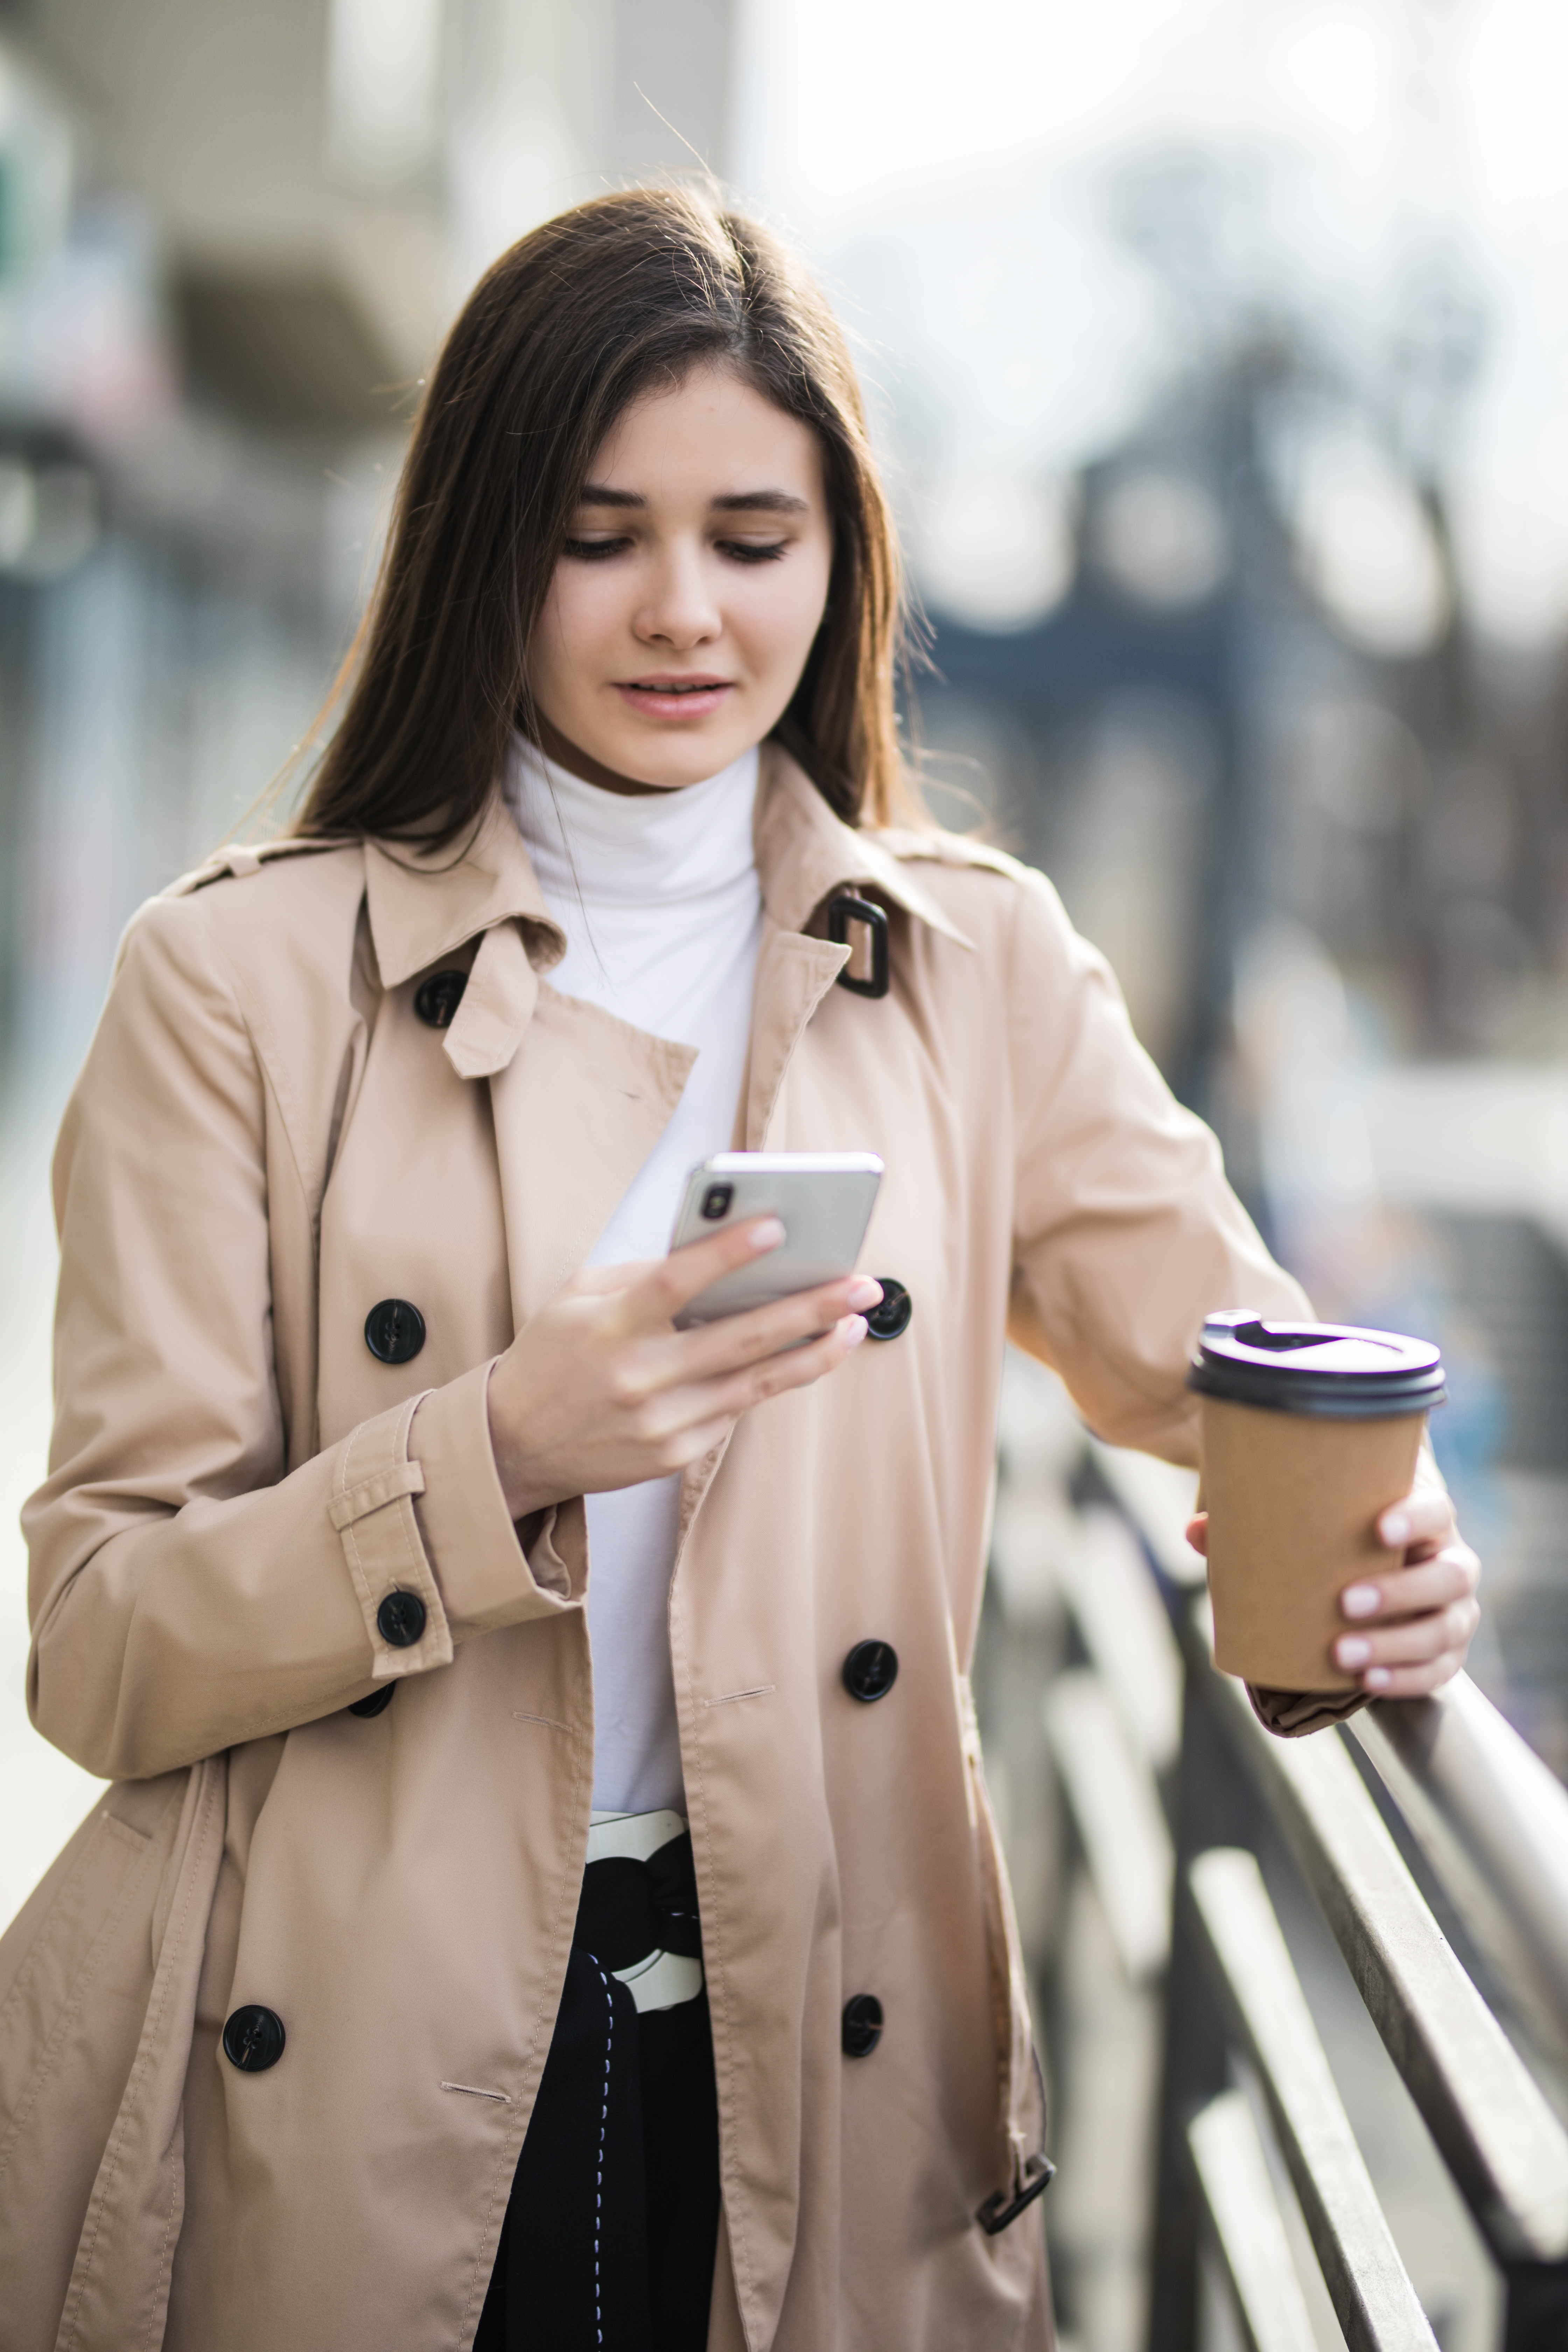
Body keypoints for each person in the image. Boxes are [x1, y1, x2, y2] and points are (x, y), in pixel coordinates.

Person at [0, 187, 1479, 2352]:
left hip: (827, 2053)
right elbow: (101, 1646)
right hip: (339, 2085)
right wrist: (501, 1444)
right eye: (601, 533)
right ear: (482, 541)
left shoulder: (975, 972)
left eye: (752, 535)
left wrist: (1383, 1564)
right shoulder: (235, 984)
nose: (682, 609)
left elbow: (1250, 1365)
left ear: (841, 555)